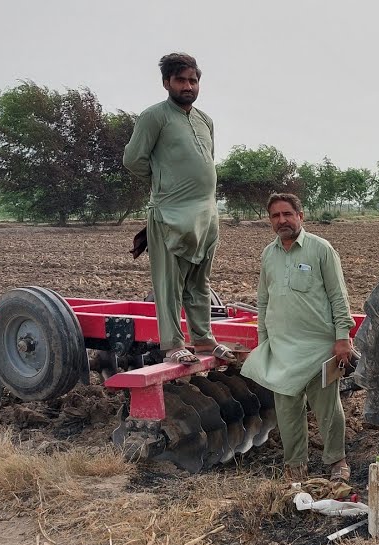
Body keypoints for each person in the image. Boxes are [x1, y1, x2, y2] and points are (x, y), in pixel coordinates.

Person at [123, 52, 234, 365]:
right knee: (169, 284)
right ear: (166, 83)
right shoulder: (154, 117)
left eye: (193, 80)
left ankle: (203, 338)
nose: (188, 86)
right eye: (181, 80)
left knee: (200, 283)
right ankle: (172, 343)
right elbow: (133, 160)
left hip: (206, 216)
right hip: (170, 214)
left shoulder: (205, 121)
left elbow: (205, 161)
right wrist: (164, 183)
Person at [241, 193, 356, 482]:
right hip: (282, 349)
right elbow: (264, 301)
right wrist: (264, 340)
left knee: (328, 409)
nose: (282, 220)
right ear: (270, 221)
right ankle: (295, 465)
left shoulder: (321, 249)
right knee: (288, 412)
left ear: (300, 216)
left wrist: (343, 337)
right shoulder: (269, 254)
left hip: (320, 347)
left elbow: (338, 296)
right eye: (275, 216)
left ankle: (336, 462)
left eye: (287, 214)